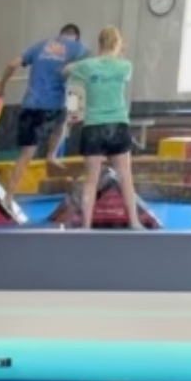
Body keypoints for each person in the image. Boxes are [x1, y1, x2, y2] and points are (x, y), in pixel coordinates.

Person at [0, 24, 90, 205]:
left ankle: (8, 196)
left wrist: (1, 86)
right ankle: (51, 155)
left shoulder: (40, 45)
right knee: (65, 121)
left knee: (25, 155)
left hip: (31, 104)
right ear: (76, 37)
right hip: (54, 105)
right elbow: (95, 63)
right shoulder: (79, 48)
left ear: (60, 35)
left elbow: (11, 64)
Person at [64, 26, 142, 229]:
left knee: (91, 180)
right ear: (117, 44)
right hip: (118, 124)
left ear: (99, 44)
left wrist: (72, 117)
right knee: (126, 176)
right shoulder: (125, 67)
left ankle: (86, 226)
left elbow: (72, 89)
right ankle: (134, 221)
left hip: (94, 126)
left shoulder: (86, 66)